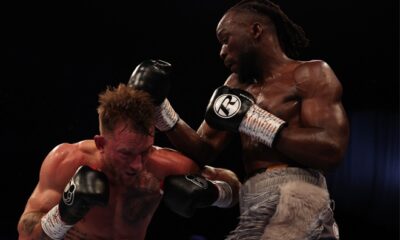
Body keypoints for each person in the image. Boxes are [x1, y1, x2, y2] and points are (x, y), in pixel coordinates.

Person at [131, 0, 350, 239]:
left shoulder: (311, 73)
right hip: (253, 199)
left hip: (298, 195)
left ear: (255, 30)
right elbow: (203, 150)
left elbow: (331, 150)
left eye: (226, 40)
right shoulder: (235, 86)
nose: (222, 51)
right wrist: (161, 109)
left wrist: (253, 121)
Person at [17, 83, 240, 240]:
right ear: (101, 143)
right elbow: (26, 235)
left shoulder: (165, 167)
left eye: (145, 151)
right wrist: (63, 215)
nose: (137, 164)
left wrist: (214, 193)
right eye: (126, 153)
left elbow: (235, 188)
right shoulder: (66, 161)